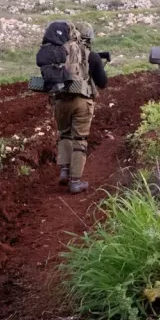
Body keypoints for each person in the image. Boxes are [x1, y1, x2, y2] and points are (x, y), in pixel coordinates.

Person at [52, 22, 107, 194]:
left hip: (60, 101)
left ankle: (64, 170)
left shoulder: (60, 52)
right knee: (79, 140)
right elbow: (103, 83)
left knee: (64, 135)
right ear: (89, 37)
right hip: (81, 102)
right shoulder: (92, 56)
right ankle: (75, 181)